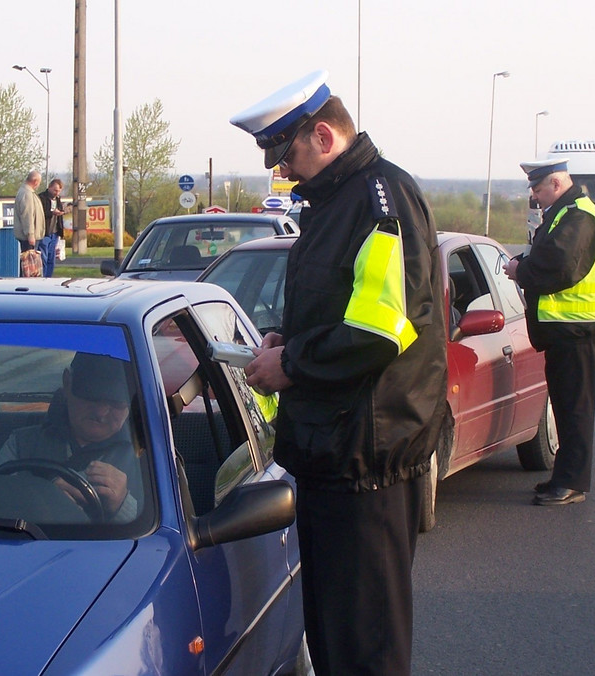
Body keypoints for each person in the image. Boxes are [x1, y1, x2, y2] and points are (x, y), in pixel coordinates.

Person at [231, 70, 447, 676]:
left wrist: (292, 364)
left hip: (366, 468)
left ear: (323, 136)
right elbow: (343, 310)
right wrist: (288, 342)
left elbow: (381, 329)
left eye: (288, 155)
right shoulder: (337, 202)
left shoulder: (381, 199)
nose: (285, 173)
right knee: (334, 647)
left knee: (364, 654)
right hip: (335, 458)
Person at [503, 158, 595, 506]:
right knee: (566, 406)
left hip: (576, 327)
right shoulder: (566, 214)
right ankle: (564, 477)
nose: (534, 196)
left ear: (556, 182)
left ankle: (571, 483)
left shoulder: (577, 217)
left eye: (537, 188)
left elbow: (558, 265)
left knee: (574, 407)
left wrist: (521, 271)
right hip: (567, 328)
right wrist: (525, 262)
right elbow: (546, 254)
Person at [0, 352, 142, 524]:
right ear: (67, 383)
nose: (100, 413)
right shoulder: (21, 443)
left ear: (131, 400)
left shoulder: (151, 455)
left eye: (115, 403)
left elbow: (165, 532)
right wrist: (41, 498)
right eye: (90, 398)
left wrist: (123, 504)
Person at [13, 170, 45, 273]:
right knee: (29, 264)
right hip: (28, 237)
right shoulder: (27, 194)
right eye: (39, 183)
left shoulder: (27, 192)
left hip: (30, 236)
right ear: (35, 181)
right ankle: (28, 282)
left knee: (29, 263)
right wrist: (30, 234)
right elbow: (28, 215)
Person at [39, 178, 66, 277]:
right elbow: (40, 214)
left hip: (55, 232)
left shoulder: (58, 199)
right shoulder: (42, 198)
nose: (56, 193)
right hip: (45, 232)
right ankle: (44, 277)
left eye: (58, 191)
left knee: (51, 258)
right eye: (55, 190)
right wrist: (52, 213)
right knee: (44, 257)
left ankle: (49, 277)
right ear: (49, 187)